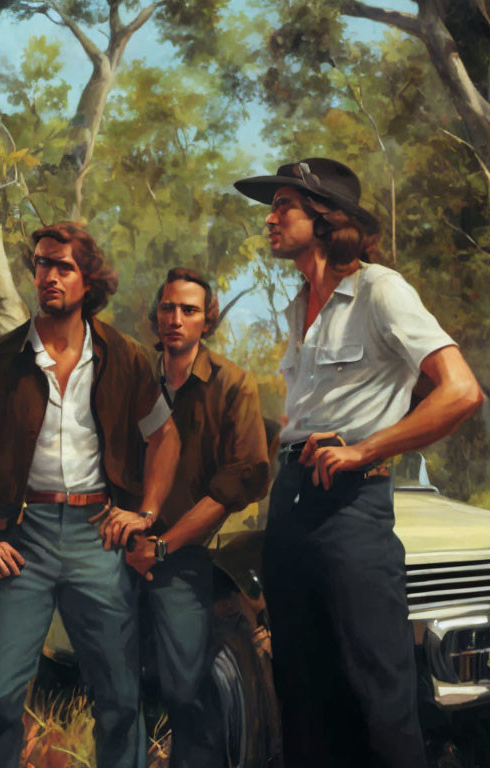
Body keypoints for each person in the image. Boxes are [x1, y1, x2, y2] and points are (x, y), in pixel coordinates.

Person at [234, 158, 485, 767]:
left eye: (283, 206)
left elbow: (460, 391)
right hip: (291, 508)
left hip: (352, 510)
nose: (269, 218)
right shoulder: (299, 308)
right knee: (302, 695)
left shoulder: (380, 289)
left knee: (378, 698)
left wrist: (368, 448)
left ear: (325, 219)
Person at [0, 221, 181, 768]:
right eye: (42, 265)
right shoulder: (1, 361)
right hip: (24, 540)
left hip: (97, 534)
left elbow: (165, 437)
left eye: (63, 266)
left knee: (120, 699)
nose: (48, 276)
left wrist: (144, 513)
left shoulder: (121, 356)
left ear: (88, 280)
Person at [104, 267, 270, 767]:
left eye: (189, 310)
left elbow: (235, 485)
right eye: (168, 309)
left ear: (208, 319)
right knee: (113, 690)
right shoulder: (127, 378)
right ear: (155, 316)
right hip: (114, 548)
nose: (176, 319)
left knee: (185, 690)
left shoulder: (233, 385)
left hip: (187, 553)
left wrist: (164, 545)